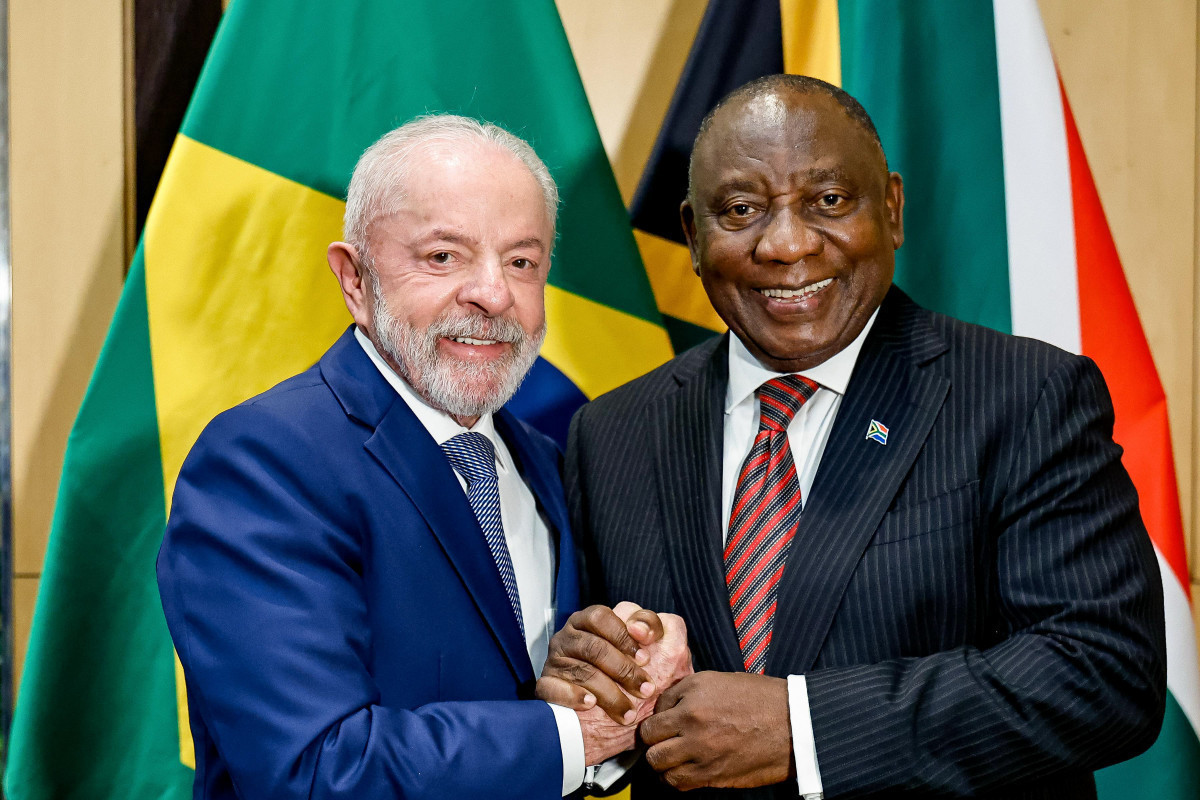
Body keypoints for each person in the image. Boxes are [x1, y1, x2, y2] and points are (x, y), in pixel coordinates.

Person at [539, 75, 1166, 799]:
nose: (786, 243)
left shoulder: (1025, 397)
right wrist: (600, 706)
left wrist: (802, 727)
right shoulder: (609, 433)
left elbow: (1104, 672)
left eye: (828, 202)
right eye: (742, 210)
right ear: (693, 234)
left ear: (892, 210)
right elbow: (612, 699)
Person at [157, 114, 689, 800]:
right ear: (354, 279)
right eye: (443, 256)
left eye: (522, 261)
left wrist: (636, 676)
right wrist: (573, 738)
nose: (494, 294)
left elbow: (580, 703)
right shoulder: (263, 463)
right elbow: (315, 771)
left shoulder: (550, 465)